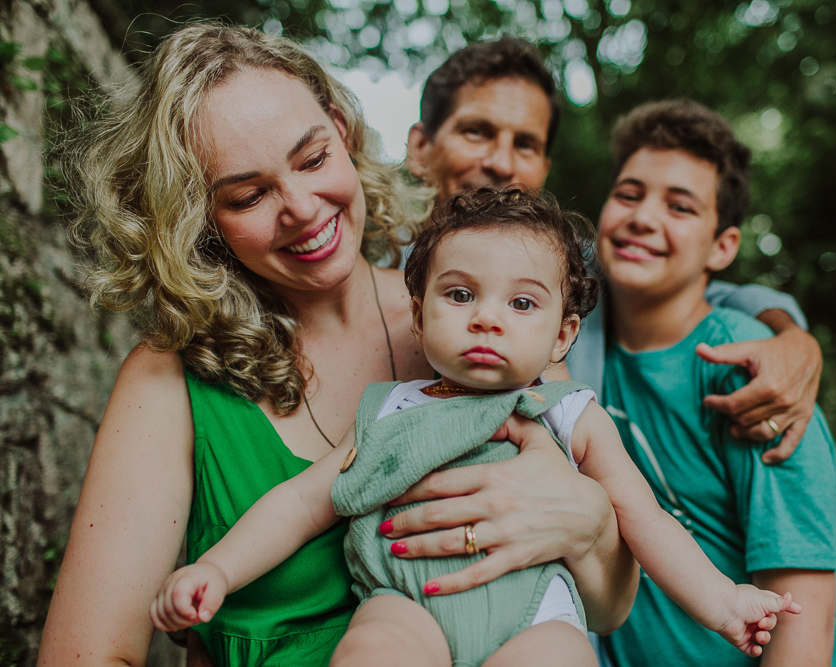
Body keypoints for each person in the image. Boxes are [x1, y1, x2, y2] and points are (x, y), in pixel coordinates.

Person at [37, 24, 635, 667]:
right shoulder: (169, 380)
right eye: (249, 195)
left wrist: (592, 522)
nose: (301, 206)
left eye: (313, 158)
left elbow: (602, 606)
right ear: (197, 218)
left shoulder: (481, 335)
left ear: (341, 131)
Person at [150, 186, 799, 667]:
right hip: (405, 603)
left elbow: (646, 520)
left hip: (532, 617)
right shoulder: (389, 408)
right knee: (369, 654)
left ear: (562, 334)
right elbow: (299, 502)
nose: (488, 317)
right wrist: (216, 568)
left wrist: (724, 601)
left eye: (521, 302)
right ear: (419, 313)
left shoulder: (571, 413)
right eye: (460, 294)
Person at [404, 36, 823, 461]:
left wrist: (793, 339)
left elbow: (689, 289)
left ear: (544, 169)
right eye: (477, 132)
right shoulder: (368, 268)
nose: (502, 162)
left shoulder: (569, 269)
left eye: (526, 144)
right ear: (420, 148)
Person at [595, 99, 836, 666]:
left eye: (680, 207)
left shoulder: (753, 373)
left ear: (722, 246)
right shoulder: (566, 342)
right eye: (629, 193)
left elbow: (801, 614)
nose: (643, 217)